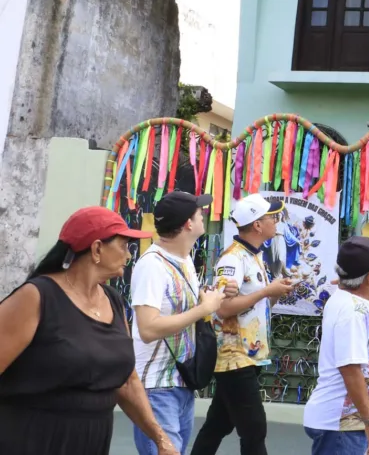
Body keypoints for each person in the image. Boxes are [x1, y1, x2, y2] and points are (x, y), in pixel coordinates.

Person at [0, 206, 177, 455]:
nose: (129, 255)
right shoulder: (37, 297)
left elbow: (127, 381)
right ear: (96, 249)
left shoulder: (113, 301)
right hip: (31, 439)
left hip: (91, 442)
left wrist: (161, 439)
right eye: (124, 245)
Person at [191, 194, 299, 455]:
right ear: (257, 225)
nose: (277, 221)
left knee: (219, 424)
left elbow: (255, 308)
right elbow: (223, 308)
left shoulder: (253, 256)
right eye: (272, 217)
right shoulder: (233, 260)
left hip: (248, 355)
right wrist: (265, 292)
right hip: (233, 357)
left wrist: (273, 293)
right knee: (254, 429)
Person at [131, 192, 235, 455]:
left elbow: (181, 305)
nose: (204, 216)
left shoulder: (185, 259)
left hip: (181, 379)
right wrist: (204, 308)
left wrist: (215, 294)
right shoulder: (152, 266)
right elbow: (148, 328)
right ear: (188, 223)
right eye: (200, 212)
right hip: (156, 386)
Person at [303, 235, 369, 455]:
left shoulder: (350, 300)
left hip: (347, 423)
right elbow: (350, 369)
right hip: (342, 425)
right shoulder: (352, 312)